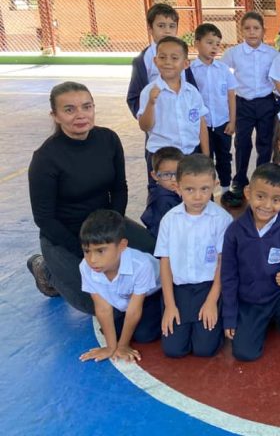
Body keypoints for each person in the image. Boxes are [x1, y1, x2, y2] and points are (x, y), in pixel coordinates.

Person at [28, 82, 155, 314]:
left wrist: (113, 232)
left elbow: (119, 188)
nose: (80, 115)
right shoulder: (45, 159)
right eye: (69, 109)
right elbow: (44, 219)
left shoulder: (108, 139)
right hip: (63, 234)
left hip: (105, 224)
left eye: (86, 107)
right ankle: (45, 270)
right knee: (95, 303)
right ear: (55, 116)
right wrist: (87, 251)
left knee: (159, 258)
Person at [221, 164, 280, 362]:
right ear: (248, 193)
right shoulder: (234, 231)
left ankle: (276, 317)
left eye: (276, 199)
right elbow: (228, 276)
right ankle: (263, 321)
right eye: (260, 196)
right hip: (250, 300)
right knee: (244, 353)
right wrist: (229, 315)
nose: (267, 205)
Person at [155, 154, 232, 358]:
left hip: (209, 287)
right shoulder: (169, 220)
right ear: (177, 187)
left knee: (205, 349)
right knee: (173, 350)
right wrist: (170, 305)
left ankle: (219, 317)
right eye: (189, 189)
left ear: (215, 185)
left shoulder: (222, 219)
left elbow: (223, 263)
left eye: (204, 189)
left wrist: (212, 301)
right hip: (179, 290)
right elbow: (165, 262)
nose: (198, 196)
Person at [78, 210, 162, 363]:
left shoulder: (141, 265)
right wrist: (111, 347)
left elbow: (134, 310)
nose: (92, 259)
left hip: (155, 293)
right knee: (112, 331)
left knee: (144, 334)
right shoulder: (85, 267)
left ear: (122, 246)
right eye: (86, 251)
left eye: (100, 251)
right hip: (126, 298)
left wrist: (122, 345)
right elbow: (102, 308)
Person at [220, 11, 279, 207]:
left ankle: (261, 178)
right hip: (243, 103)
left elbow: (279, 77)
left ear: (263, 31)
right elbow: (220, 71)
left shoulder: (272, 54)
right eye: (247, 28)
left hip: (266, 103)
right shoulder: (234, 53)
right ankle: (239, 180)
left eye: (256, 28)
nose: (252, 32)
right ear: (241, 31)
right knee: (242, 143)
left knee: (265, 142)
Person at [137, 36, 210, 161]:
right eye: (162, 57)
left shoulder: (192, 92)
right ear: (155, 61)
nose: (167, 62)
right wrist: (151, 103)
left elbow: (201, 123)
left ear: (186, 64)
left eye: (174, 58)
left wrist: (206, 155)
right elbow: (144, 126)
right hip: (161, 157)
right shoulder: (149, 92)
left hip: (191, 153)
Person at [190, 23, 237, 200]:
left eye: (217, 44)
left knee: (224, 157)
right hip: (201, 126)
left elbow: (231, 96)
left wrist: (232, 121)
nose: (214, 47)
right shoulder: (190, 71)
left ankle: (225, 190)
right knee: (204, 159)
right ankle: (206, 193)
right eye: (209, 42)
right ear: (197, 43)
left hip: (222, 123)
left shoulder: (223, 70)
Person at [140, 146, 183, 238]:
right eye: (166, 175)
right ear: (155, 175)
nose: (173, 179)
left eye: (178, 173)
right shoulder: (163, 199)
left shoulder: (165, 192)